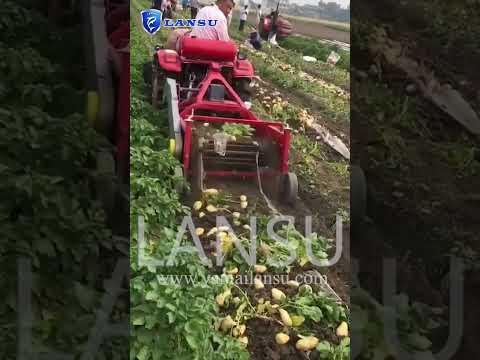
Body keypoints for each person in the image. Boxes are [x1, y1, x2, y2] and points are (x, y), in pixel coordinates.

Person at [165, 0, 235, 52]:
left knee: (176, 33)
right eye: (228, 7)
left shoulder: (203, 10)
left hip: (192, 46)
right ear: (221, 2)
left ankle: (169, 54)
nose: (228, 11)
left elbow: (196, 28)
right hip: (209, 50)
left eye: (230, 9)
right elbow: (225, 42)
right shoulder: (221, 17)